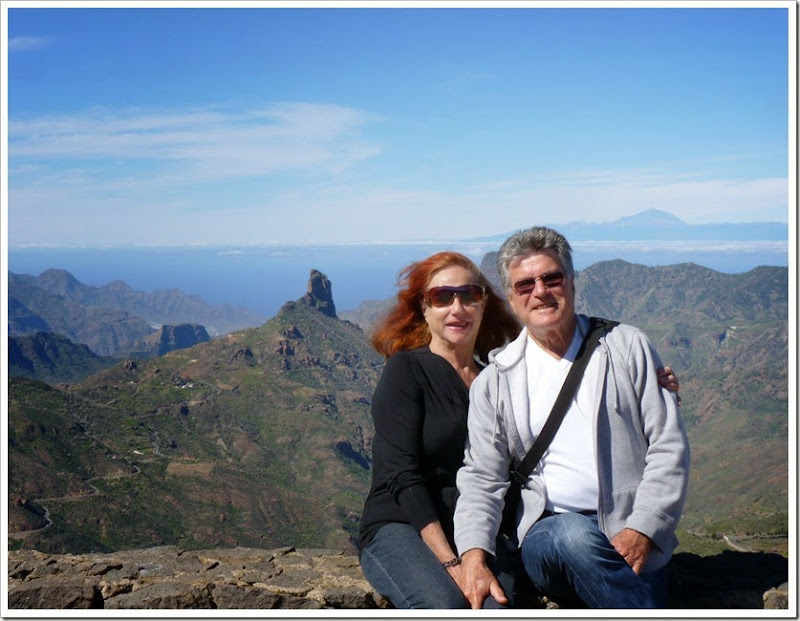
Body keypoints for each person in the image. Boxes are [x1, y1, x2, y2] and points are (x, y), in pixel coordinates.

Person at [357, 249, 681, 609]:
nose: (457, 308)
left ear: (484, 303)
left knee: (497, 607)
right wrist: (452, 561)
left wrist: (649, 387)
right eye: (442, 297)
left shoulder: (498, 380)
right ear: (424, 307)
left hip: (474, 531)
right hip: (406, 524)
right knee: (446, 604)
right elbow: (402, 475)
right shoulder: (407, 370)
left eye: (469, 295)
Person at [453, 226, 690, 609]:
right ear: (511, 298)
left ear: (572, 282)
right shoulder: (496, 382)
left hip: (629, 535)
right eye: (525, 284)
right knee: (573, 533)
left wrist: (643, 528)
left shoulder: (626, 347)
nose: (540, 291)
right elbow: (483, 477)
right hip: (549, 536)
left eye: (552, 278)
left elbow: (668, 446)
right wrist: (473, 555)